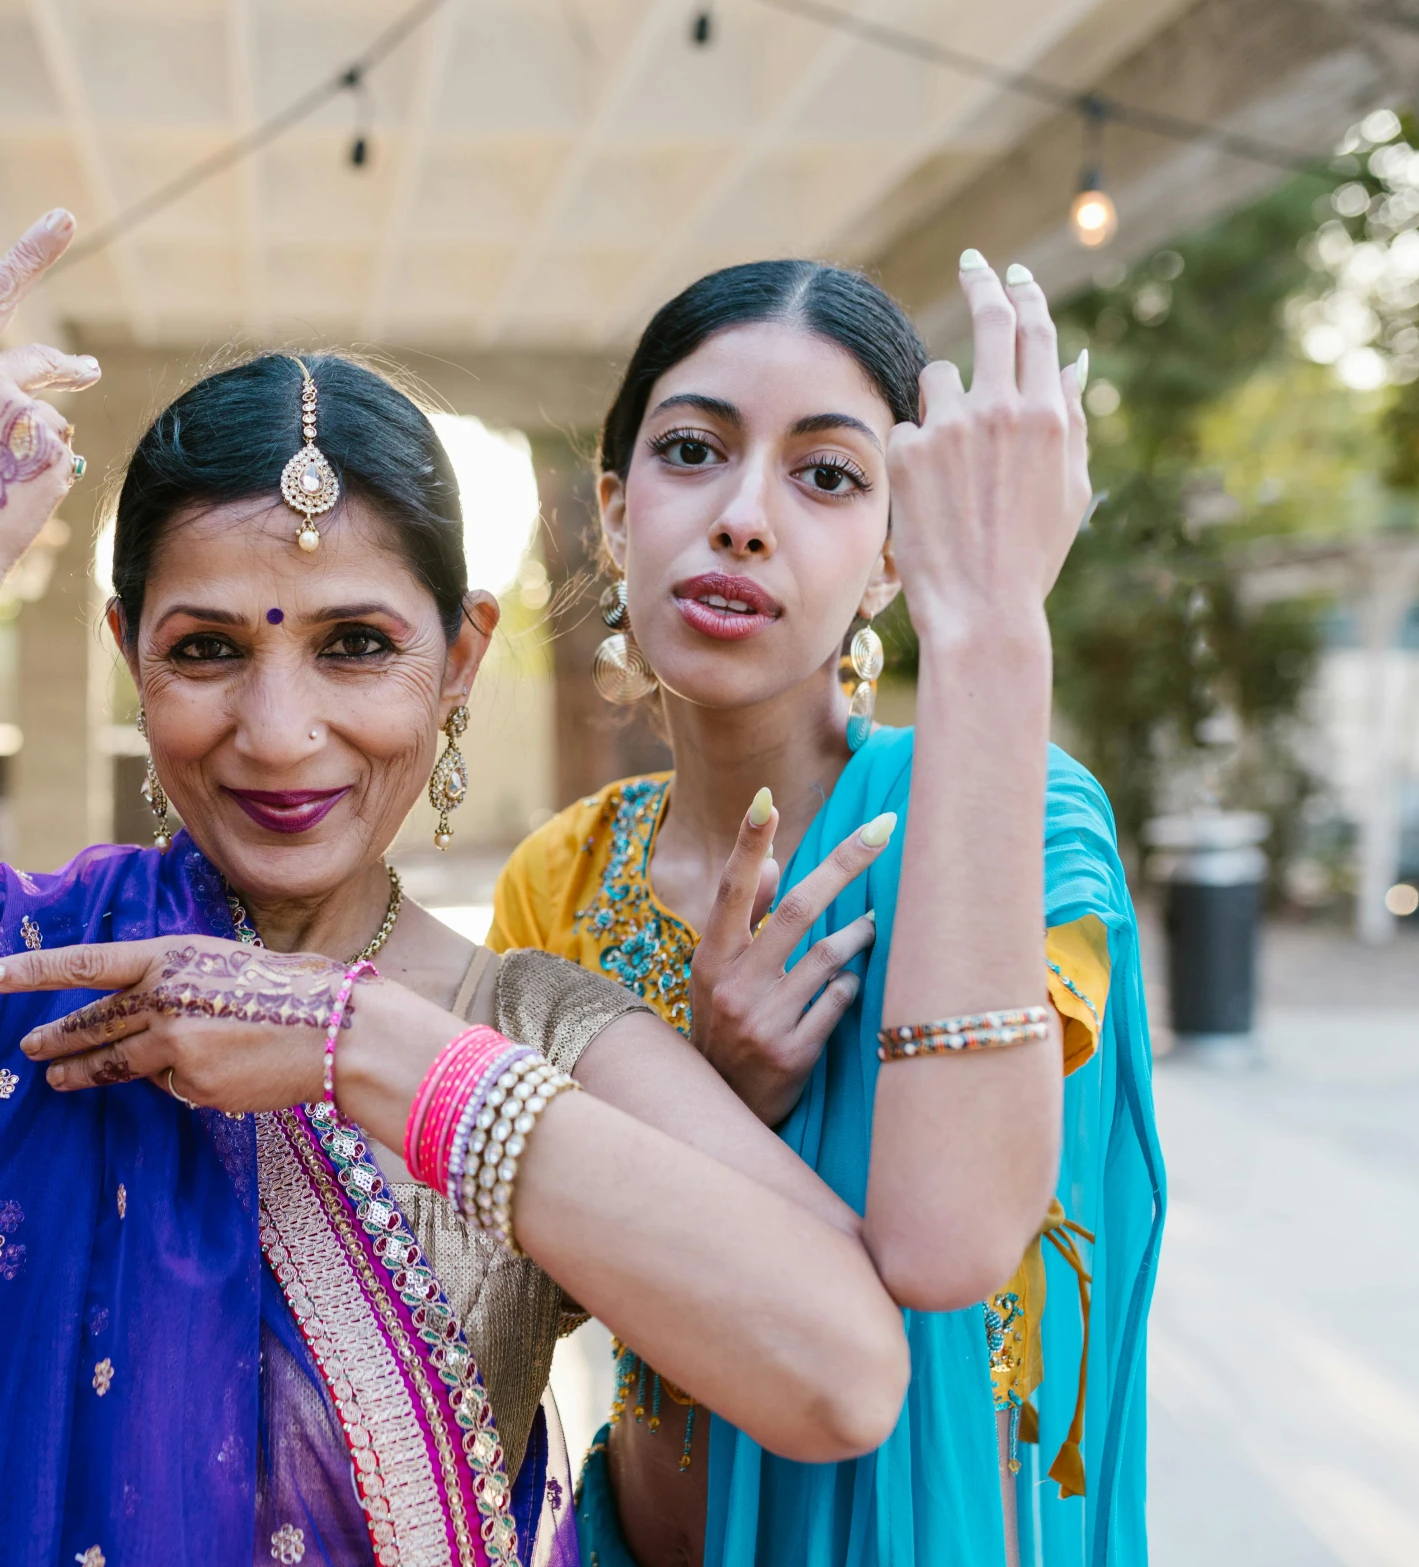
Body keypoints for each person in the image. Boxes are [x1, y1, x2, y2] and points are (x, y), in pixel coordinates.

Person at [0, 211, 921, 1567]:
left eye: (356, 644)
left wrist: (360, 1044)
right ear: (126, 654)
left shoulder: (534, 1025)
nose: (276, 731)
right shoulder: (17, 973)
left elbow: (840, 1376)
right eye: (204, 649)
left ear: (458, 658)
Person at [489, 255, 1164, 1566]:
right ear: (617, 514)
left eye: (827, 476)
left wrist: (991, 622)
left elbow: (943, 1238)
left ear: (891, 559)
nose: (744, 516)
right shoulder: (557, 878)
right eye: (692, 451)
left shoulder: (1019, 816)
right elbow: (509, 1293)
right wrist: (708, 1089)